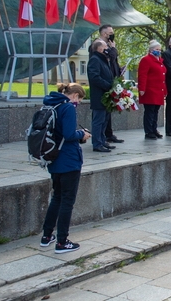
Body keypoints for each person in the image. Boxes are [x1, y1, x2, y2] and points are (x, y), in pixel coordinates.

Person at [40, 83, 91, 253]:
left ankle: (47, 236)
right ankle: (62, 242)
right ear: (75, 95)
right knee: (67, 201)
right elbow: (69, 134)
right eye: (80, 99)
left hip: (53, 158)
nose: (78, 103)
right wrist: (82, 135)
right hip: (69, 161)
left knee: (57, 198)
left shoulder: (51, 104)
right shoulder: (67, 108)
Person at [96, 25, 125, 144]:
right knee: (102, 115)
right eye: (110, 33)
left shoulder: (109, 46)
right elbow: (110, 58)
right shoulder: (97, 46)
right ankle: (101, 138)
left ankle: (108, 134)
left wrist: (119, 70)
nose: (112, 35)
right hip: (103, 84)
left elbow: (113, 62)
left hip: (111, 80)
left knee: (108, 112)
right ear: (104, 34)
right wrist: (113, 49)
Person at [86, 39, 114, 153]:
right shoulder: (95, 60)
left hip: (106, 96)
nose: (108, 49)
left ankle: (102, 141)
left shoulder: (103, 60)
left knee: (104, 120)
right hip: (99, 96)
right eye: (106, 47)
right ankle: (97, 143)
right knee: (98, 120)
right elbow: (94, 77)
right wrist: (108, 86)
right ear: (100, 49)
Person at [137, 40, 167, 139]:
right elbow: (142, 75)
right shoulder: (146, 60)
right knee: (149, 111)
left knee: (156, 111)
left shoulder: (160, 61)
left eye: (159, 49)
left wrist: (165, 90)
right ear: (151, 50)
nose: (158, 51)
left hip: (158, 90)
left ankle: (154, 129)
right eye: (156, 49)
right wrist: (142, 88)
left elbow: (163, 77)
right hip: (150, 90)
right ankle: (148, 131)